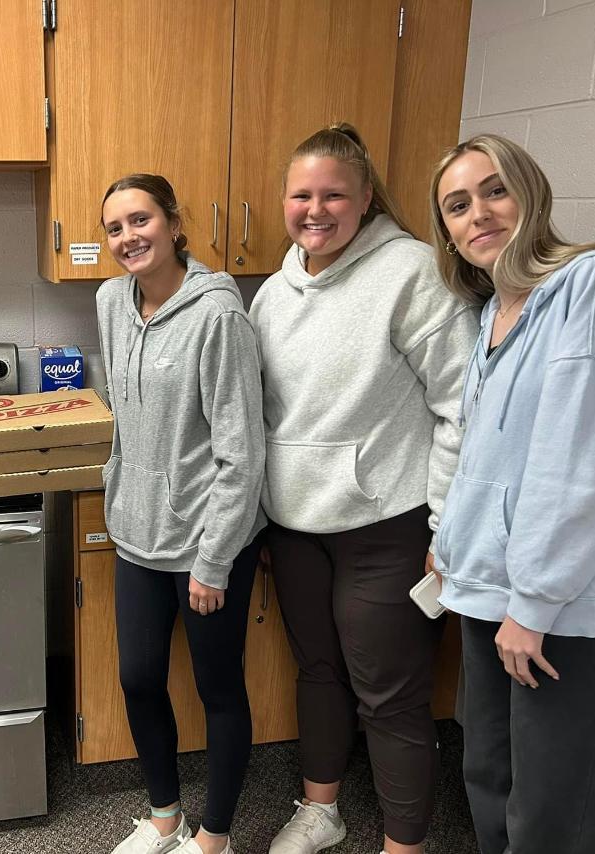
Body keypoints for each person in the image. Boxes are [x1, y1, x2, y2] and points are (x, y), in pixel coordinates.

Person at [429, 134, 595, 854]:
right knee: (489, 782)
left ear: (531, 192)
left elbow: (587, 463)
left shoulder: (594, 284)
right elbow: (488, 453)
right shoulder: (493, 314)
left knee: (551, 822)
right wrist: (452, 542)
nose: (479, 214)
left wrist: (533, 603)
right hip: (494, 594)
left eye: (495, 190)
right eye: (457, 205)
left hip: (571, 610)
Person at [250, 123, 479, 854]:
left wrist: (445, 527)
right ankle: (322, 812)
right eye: (301, 195)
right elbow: (264, 416)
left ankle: (405, 844)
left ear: (367, 197)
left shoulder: (412, 273)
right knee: (319, 673)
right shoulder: (273, 294)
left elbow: (461, 409)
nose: (315, 210)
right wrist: (261, 516)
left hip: (389, 526)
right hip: (296, 527)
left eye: (334, 195)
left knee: (389, 694)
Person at [96, 173, 266, 854]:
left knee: (217, 688)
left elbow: (241, 450)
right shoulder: (110, 300)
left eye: (140, 220)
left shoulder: (219, 315)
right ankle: (165, 819)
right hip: (137, 532)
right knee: (138, 678)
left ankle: (213, 839)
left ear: (172, 221)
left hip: (206, 539)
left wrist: (213, 560)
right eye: (114, 228)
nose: (128, 238)